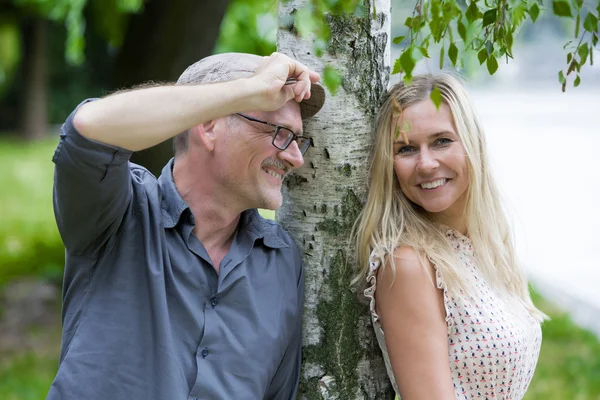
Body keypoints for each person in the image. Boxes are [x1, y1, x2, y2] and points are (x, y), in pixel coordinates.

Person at [47, 52, 325, 400]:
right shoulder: (118, 211)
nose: (295, 157)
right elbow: (88, 128)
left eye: (298, 139)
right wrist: (250, 90)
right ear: (208, 126)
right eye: (279, 132)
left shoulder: (282, 261)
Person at [352, 74, 545, 399]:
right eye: (407, 148)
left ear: (472, 144)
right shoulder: (408, 266)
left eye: (442, 141)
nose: (426, 164)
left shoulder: (486, 245)